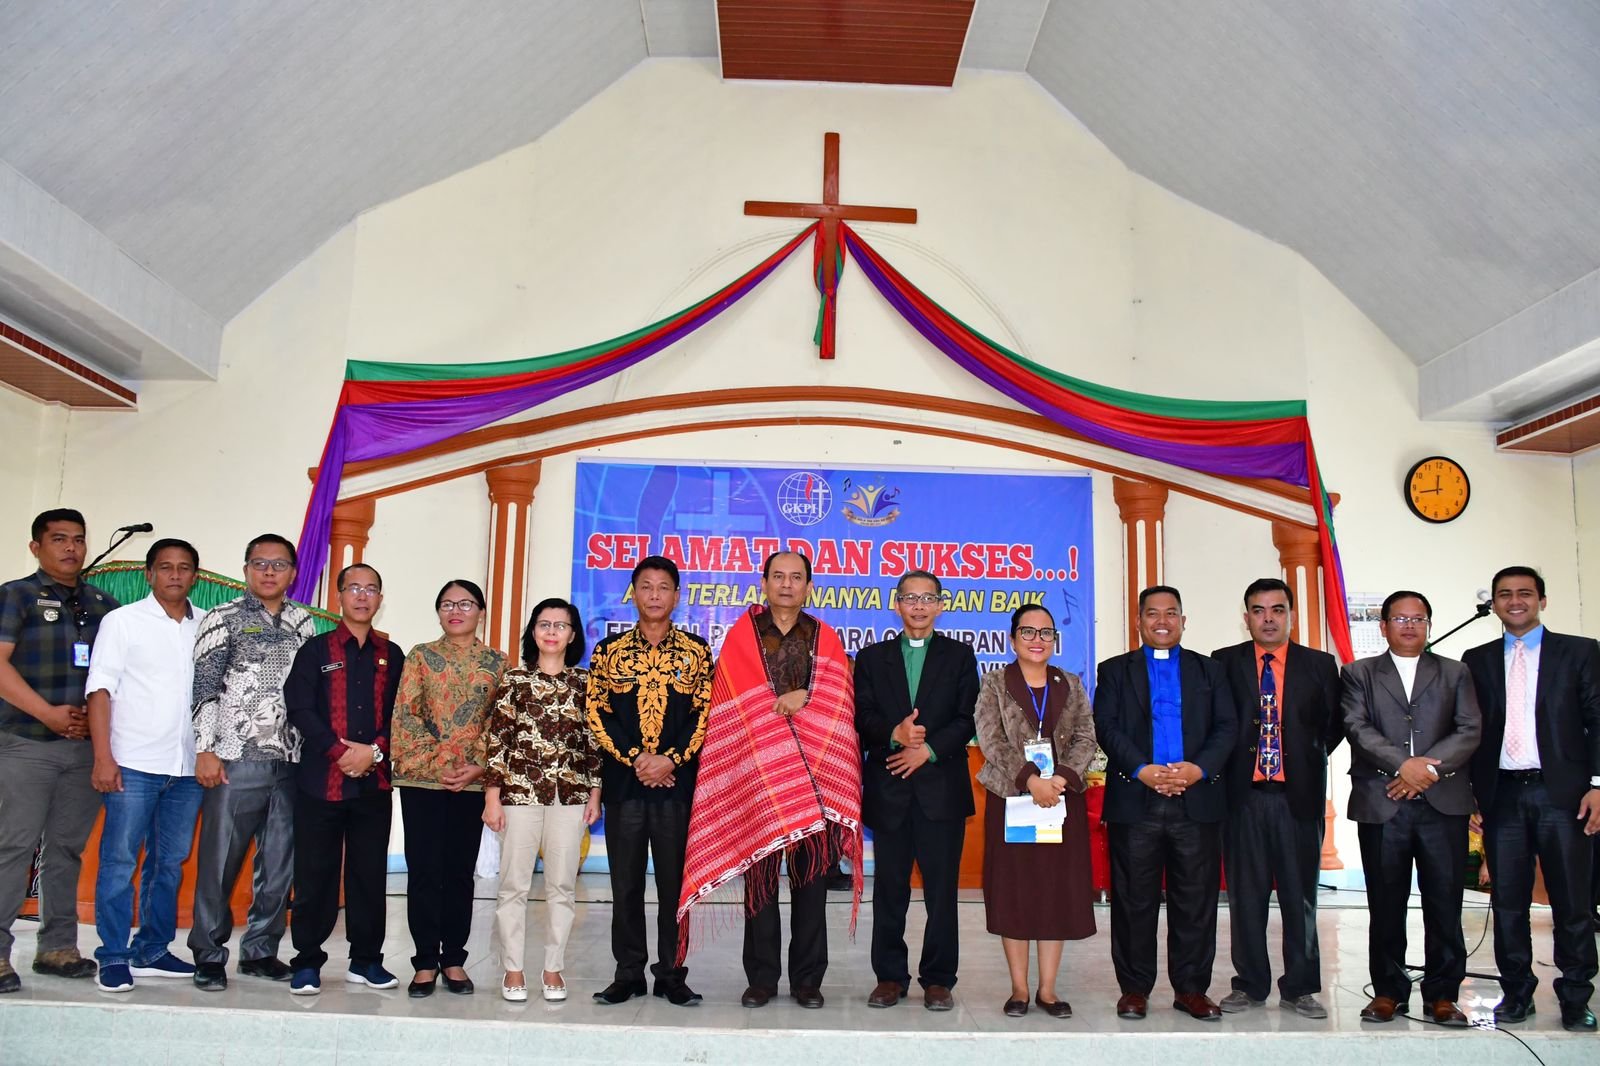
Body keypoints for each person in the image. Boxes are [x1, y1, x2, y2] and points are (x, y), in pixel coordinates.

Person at [677, 550, 863, 1010]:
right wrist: (776, 706)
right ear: (763, 582)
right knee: (759, 887)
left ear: (808, 586)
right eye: (777, 576)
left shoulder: (825, 637)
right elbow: (732, 702)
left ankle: (807, 980)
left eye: (795, 577)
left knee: (811, 888)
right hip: (758, 779)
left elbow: (839, 700)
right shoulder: (742, 636)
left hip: (814, 782)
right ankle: (760, 978)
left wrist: (808, 695)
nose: (786, 584)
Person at [1463, 566, 1600, 1033]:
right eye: (1505, 594)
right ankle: (1517, 993)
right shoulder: (1476, 658)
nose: (1514, 601)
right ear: (1495, 604)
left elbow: (1598, 719)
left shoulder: (1580, 652)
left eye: (1524, 593)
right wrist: (1472, 797)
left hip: (1563, 795)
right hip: (1502, 795)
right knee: (1508, 903)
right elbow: (1472, 733)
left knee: (1572, 902)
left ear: (1542, 599)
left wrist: (1598, 785)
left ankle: (1576, 997)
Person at [1093, 585, 1236, 1022]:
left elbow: (1227, 726)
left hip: (1197, 799)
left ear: (1183, 620)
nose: (1161, 621)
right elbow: (1107, 726)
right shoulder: (1115, 670)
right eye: (1152, 613)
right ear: (1138, 622)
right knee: (1133, 901)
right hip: (1137, 801)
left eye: (1171, 613)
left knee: (1195, 901)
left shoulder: (1210, 670)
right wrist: (1143, 770)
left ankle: (1191, 989)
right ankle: (1134, 989)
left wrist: (1198, 769)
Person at [1342, 590, 1480, 1026]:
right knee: (1386, 903)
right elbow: (1356, 726)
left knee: (1445, 902)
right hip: (1383, 803)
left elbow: (1469, 728)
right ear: (1383, 626)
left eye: (1417, 619)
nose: (1409, 626)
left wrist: (1427, 772)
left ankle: (1443, 994)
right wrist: (1405, 765)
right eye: (1399, 619)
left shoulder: (1455, 672)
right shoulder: (1358, 673)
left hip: (1443, 805)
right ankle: (1387, 991)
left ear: (1429, 625)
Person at [186, 533, 316, 990]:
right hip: (233, 759)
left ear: (293, 573)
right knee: (221, 862)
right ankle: (208, 953)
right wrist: (205, 748)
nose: (268, 572)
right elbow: (204, 687)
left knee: (279, 864)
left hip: (290, 760)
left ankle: (261, 951)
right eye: (259, 563)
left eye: (278, 565)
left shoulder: (304, 623)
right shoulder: (222, 619)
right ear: (245, 569)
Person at [1212, 578, 1343, 1019]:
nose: (1268, 618)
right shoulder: (1224, 662)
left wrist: (1303, 759)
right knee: (1245, 897)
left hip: (1297, 797)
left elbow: (1333, 726)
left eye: (1277, 609)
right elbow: (1218, 724)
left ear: (1290, 614)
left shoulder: (1320, 665)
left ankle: (1300, 988)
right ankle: (1249, 985)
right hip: (1242, 797)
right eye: (1258, 610)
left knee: (1299, 896)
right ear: (1246, 616)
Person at [586, 555, 713, 1007]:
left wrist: (670, 760)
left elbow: (704, 715)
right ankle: (629, 972)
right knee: (625, 884)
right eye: (646, 586)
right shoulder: (609, 652)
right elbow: (596, 713)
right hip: (625, 786)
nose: (655, 595)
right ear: (634, 593)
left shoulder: (697, 651)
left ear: (677, 597)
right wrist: (638, 759)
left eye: (664, 587)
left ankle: (672, 974)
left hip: (677, 789)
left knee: (675, 886)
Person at [0, 509, 118, 993]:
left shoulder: (103, 604)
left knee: (66, 850)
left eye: (78, 540)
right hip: (27, 743)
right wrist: (46, 712)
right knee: (13, 847)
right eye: (59, 539)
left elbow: (110, 678)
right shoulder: (15, 595)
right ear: (36, 547)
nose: (71, 548)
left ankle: (57, 947)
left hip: (84, 751)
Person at [85, 538, 207, 992]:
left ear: (195, 575)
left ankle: (152, 949)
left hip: (187, 766)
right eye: (165, 567)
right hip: (132, 762)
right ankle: (113, 955)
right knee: (119, 861)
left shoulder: (207, 627)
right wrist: (103, 757)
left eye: (184, 568)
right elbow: (100, 690)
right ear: (149, 574)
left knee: (169, 862)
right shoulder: (123, 621)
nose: (175, 575)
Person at [854, 570, 977, 1011]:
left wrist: (927, 751)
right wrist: (894, 735)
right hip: (890, 787)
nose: (919, 606)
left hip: (940, 788)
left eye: (928, 598)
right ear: (897, 603)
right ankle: (889, 977)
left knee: (942, 891)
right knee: (890, 888)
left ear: (941, 605)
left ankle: (939, 979)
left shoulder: (960, 656)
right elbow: (861, 717)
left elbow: (967, 719)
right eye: (910, 598)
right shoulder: (871, 658)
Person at [282, 563, 403, 995]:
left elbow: (400, 715)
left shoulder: (392, 655)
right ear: (339, 596)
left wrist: (371, 753)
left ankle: (366, 960)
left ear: (380, 599)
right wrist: (340, 753)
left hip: (374, 784)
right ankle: (308, 961)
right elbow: (300, 709)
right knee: (315, 872)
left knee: (369, 874)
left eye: (371, 589)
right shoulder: (315, 650)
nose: (362, 596)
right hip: (320, 782)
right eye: (354, 588)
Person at [973, 604, 1097, 1018]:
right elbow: (990, 739)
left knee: (1054, 891)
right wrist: (1030, 779)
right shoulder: (994, 683)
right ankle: (1019, 990)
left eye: (1045, 633)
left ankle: (1048, 990)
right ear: (1012, 639)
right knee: (1016, 891)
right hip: (1013, 799)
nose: (1037, 640)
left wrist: (1059, 779)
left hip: (1060, 801)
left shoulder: (1071, 684)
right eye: (1028, 632)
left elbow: (1085, 735)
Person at [392, 579, 506, 998]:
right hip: (424, 780)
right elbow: (406, 713)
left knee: (459, 873)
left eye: (465, 603)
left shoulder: (498, 663)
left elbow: (500, 722)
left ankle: (454, 958)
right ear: (438, 611)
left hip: (472, 784)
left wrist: (476, 767)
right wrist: (443, 764)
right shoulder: (420, 656)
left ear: (481, 611)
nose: (455, 610)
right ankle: (424, 962)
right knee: (423, 871)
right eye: (447, 603)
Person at [484, 598, 602, 1002]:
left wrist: (595, 794)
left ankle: (553, 969)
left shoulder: (585, 684)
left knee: (561, 887)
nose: (551, 631)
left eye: (561, 625)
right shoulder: (514, 681)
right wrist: (492, 798)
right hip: (518, 795)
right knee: (513, 885)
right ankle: (513, 969)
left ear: (572, 635)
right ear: (533, 632)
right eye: (544, 624)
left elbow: (593, 746)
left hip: (570, 797)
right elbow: (498, 742)